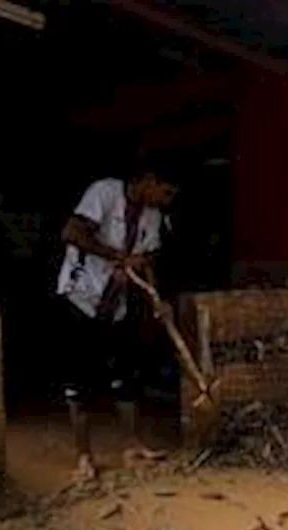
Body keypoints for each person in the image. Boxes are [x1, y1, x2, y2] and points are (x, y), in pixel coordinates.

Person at [55, 161, 177, 481]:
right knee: (79, 383)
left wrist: (157, 298)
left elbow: (149, 259)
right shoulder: (105, 192)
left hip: (117, 306)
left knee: (126, 377)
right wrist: (117, 257)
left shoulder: (152, 215)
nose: (168, 199)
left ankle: (132, 445)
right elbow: (71, 232)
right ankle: (84, 457)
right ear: (149, 179)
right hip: (81, 297)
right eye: (165, 191)